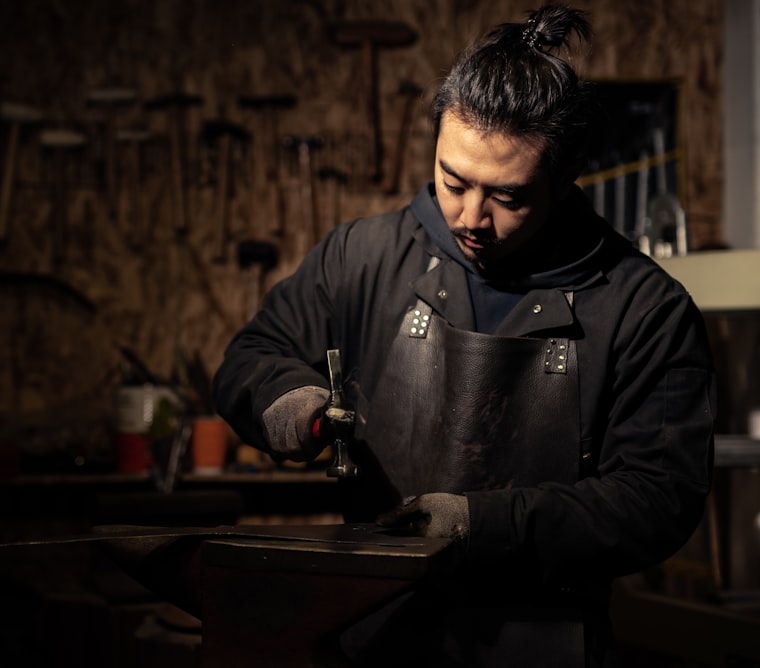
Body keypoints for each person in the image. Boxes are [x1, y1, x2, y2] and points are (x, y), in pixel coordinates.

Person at [212, 4, 715, 667]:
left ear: (565, 182)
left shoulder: (642, 307)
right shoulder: (364, 258)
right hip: (373, 632)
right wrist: (289, 403)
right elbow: (249, 359)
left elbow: (657, 500)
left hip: (545, 641)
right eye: (453, 182)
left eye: (508, 198)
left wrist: (480, 525)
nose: (471, 218)